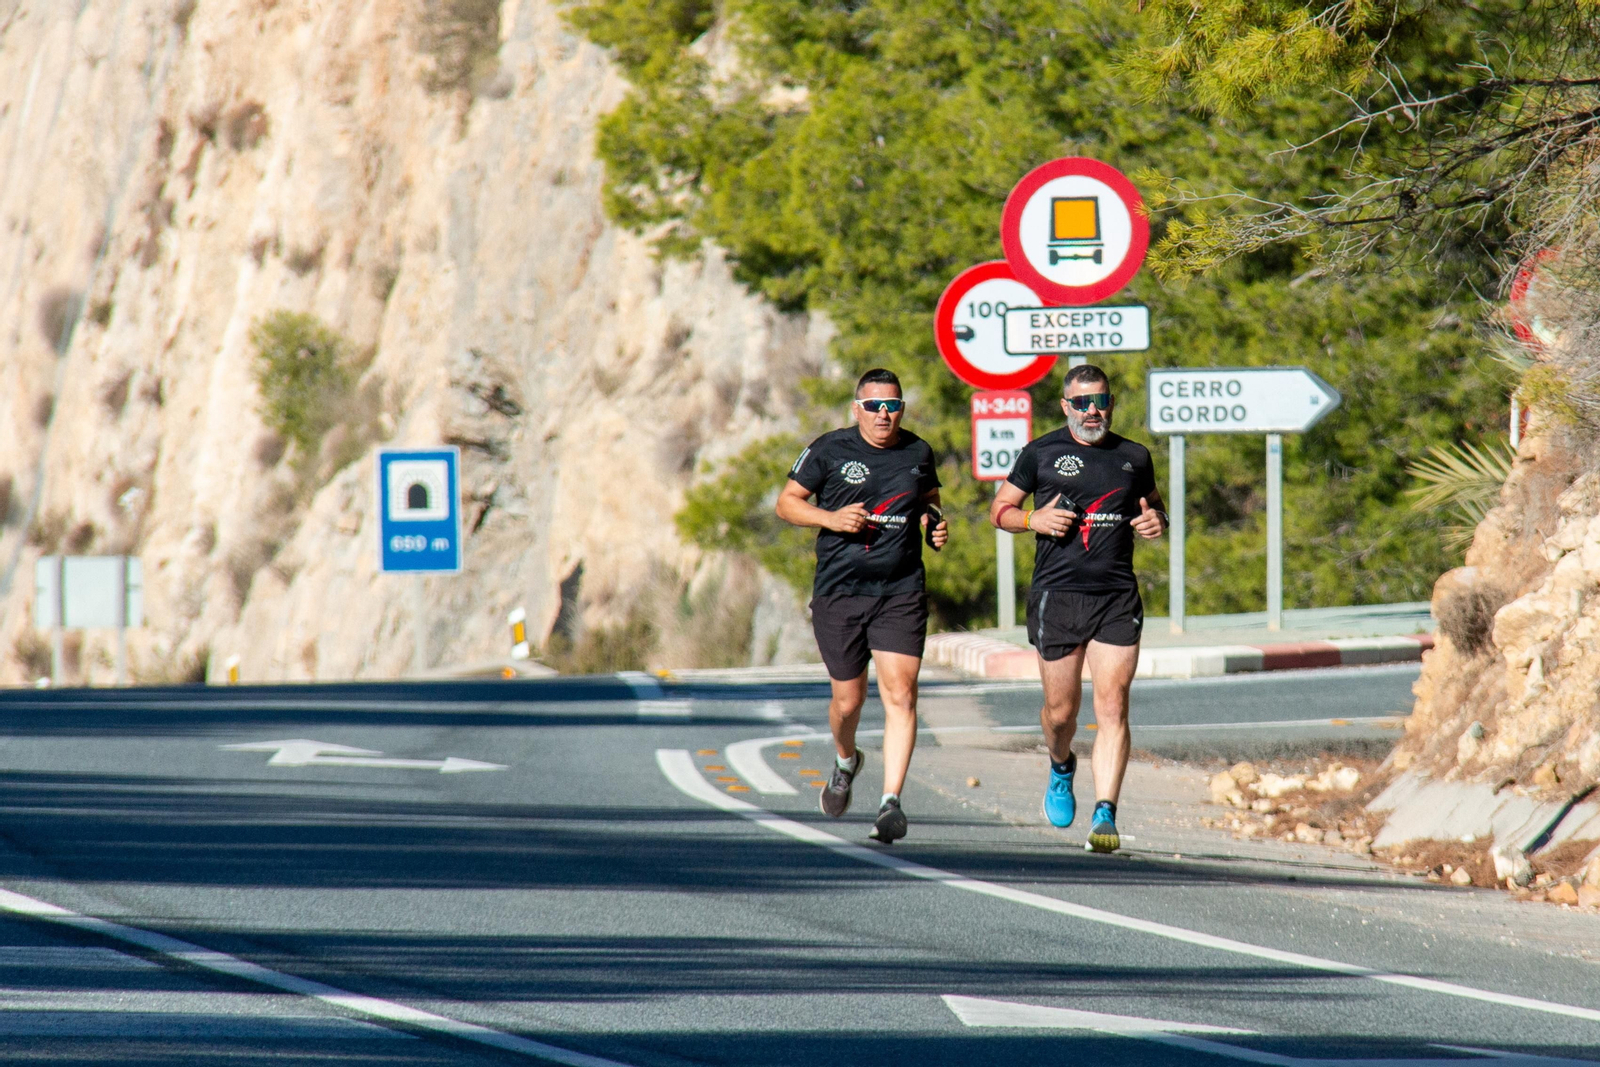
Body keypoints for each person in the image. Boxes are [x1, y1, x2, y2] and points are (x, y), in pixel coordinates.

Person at [988, 364, 1166, 853]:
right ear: (1065, 406)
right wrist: (1033, 519)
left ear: (1111, 403)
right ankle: (1061, 765)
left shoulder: (1133, 456)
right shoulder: (1040, 453)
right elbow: (999, 510)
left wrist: (1156, 523)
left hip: (1115, 596)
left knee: (1113, 705)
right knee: (1062, 712)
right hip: (1057, 596)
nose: (1093, 410)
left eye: (1101, 400)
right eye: (1083, 402)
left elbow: (1154, 506)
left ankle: (1105, 812)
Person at [776, 368, 948, 844]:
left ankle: (891, 802)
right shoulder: (829, 450)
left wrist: (935, 525)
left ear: (902, 410)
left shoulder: (918, 452)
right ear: (857, 409)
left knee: (902, 693)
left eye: (892, 406)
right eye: (873, 406)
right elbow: (786, 504)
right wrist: (830, 518)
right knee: (848, 701)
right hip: (840, 592)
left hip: (901, 590)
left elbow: (929, 502)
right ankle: (846, 759)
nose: (883, 415)